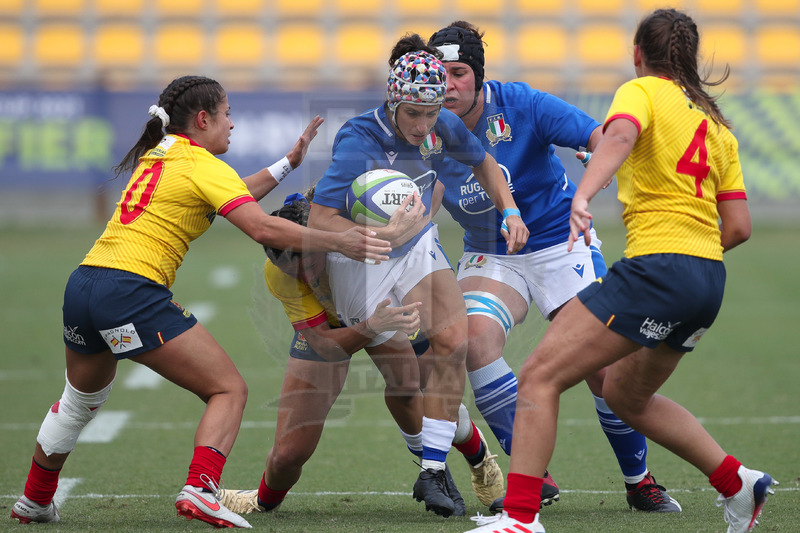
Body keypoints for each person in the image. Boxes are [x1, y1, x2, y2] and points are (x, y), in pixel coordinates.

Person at [9, 75, 392, 528]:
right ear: (204, 118)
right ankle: (201, 488)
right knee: (228, 389)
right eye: (227, 113)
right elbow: (262, 228)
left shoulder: (161, 153)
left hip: (85, 286)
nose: (232, 123)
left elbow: (229, 195)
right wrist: (338, 241)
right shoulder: (201, 162)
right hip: (131, 292)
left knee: (77, 402)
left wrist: (289, 162)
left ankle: (35, 499)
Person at [463, 9, 776, 533]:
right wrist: (693, 256)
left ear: (638, 55)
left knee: (540, 376)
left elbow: (620, 136)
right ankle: (737, 483)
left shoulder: (642, 91)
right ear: (690, 60)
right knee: (626, 397)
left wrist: (582, 196)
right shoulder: (717, 126)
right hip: (707, 281)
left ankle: (519, 519)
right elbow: (739, 226)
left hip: (656, 269)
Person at [427, 20, 681, 513]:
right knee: (474, 342)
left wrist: (594, 153)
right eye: (440, 75)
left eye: (459, 73)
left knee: (604, 371)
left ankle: (639, 480)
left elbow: (600, 134)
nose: (448, 85)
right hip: (491, 252)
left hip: (559, 244)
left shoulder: (522, 103)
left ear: (478, 76)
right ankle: (532, 475)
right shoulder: (422, 125)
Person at [307, 34, 529, 518]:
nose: (424, 125)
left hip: (416, 247)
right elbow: (321, 222)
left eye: (430, 114)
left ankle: (431, 471)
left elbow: (485, 163)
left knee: (454, 342)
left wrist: (508, 209)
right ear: (393, 102)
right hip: (360, 260)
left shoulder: (441, 123)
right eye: (413, 114)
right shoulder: (357, 140)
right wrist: (378, 236)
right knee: (405, 381)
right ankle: (451, 461)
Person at [217, 190, 486, 515]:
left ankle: (450, 468)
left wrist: (417, 224)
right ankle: (263, 502)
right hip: (345, 325)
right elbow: (325, 345)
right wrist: (371, 326)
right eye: (295, 273)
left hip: (375, 304)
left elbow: (433, 187)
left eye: (310, 264)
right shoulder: (279, 274)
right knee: (288, 454)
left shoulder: (354, 226)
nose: (307, 278)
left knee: (410, 386)